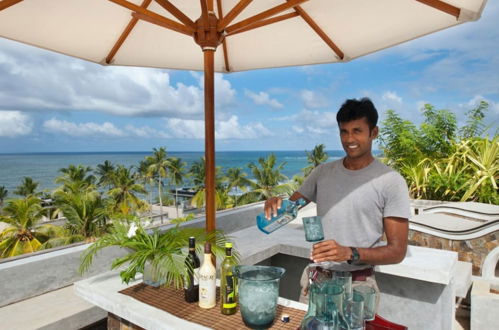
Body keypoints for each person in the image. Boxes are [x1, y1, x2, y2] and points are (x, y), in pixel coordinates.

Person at [264, 97, 410, 303]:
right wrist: (275, 203)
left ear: (373, 133)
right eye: (344, 131)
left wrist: (349, 253)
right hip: (316, 282)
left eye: (357, 131)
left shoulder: (390, 181)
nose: (349, 139)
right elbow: (289, 209)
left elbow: (397, 251)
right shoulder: (322, 172)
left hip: (358, 288)